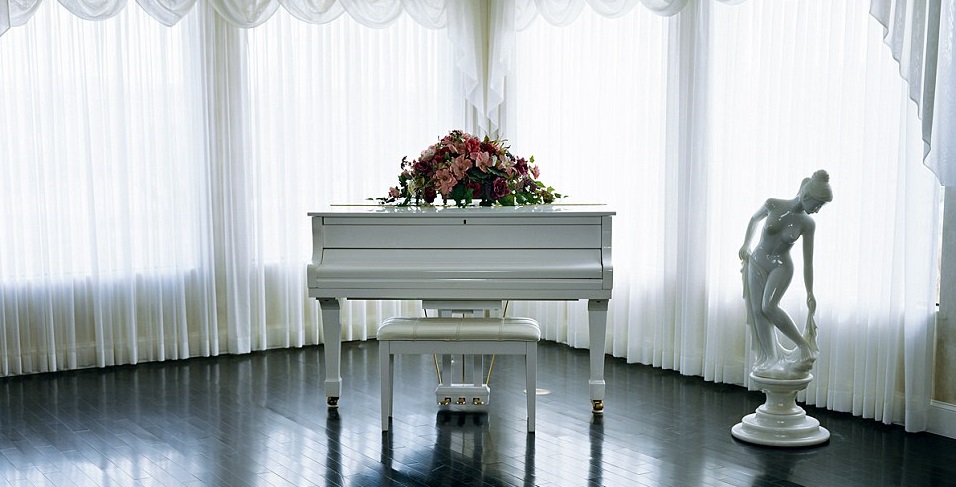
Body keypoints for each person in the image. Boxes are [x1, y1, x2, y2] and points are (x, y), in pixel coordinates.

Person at [739, 170, 833, 379]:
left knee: (769, 307)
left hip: (782, 265)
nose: (817, 211)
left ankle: (803, 345)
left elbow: (808, 262)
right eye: (817, 205)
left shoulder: (808, 224)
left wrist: (810, 292)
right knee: (757, 311)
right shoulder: (773, 204)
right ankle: (770, 358)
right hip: (758, 261)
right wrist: (746, 244)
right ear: (806, 197)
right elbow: (754, 219)